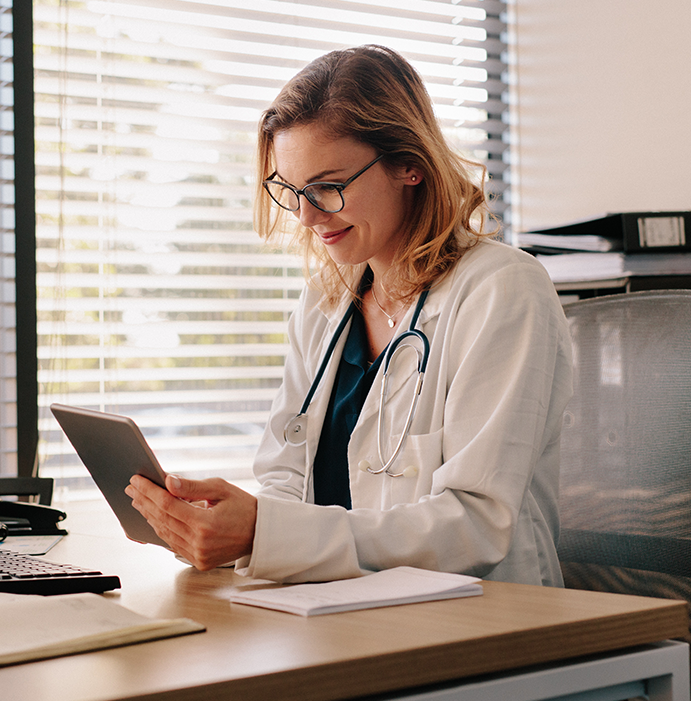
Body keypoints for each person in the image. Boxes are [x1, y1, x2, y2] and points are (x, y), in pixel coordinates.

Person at [126, 44, 573, 587]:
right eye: (290, 191)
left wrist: (267, 534)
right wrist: (230, 529)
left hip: (479, 618)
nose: (307, 215)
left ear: (409, 165)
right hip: (337, 608)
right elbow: (284, 479)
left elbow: (475, 526)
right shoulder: (325, 301)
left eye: (327, 186)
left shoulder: (501, 290)